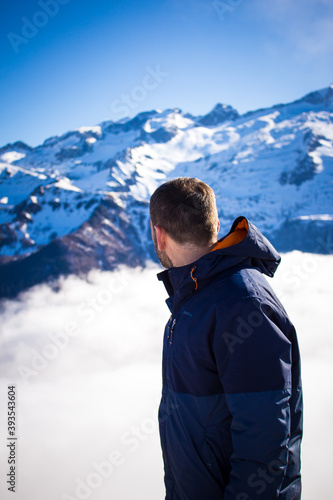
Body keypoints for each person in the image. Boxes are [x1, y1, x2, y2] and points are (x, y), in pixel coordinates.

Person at [149, 177, 302, 500]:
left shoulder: (242, 305)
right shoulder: (195, 294)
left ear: (158, 235)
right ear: (215, 225)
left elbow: (266, 442)